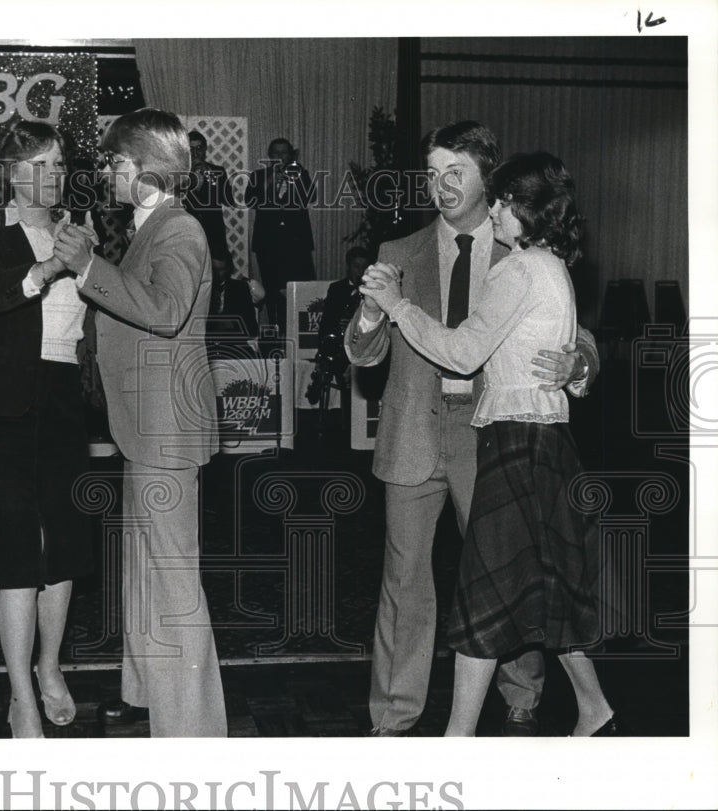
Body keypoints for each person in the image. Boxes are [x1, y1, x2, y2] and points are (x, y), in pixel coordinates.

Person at [344, 121, 600, 737]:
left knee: (508, 574)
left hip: (493, 433)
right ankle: (395, 713)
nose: (440, 186)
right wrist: (373, 313)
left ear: (489, 175)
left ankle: (521, 695)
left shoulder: (524, 249)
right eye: (431, 175)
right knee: (404, 581)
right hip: (412, 432)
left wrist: (578, 363)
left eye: (454, 172)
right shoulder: (397, 253)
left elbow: (578, 331)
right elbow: (363, 353)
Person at [54, 107, 227, 737]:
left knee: (173, 578)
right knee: (144, 568)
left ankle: (194, 729)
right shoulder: (151, 225)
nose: (107, 173)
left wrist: (89, 269)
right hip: (146, 423)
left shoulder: (179, 231)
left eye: (114, 163)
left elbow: (166, 311)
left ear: (142, 168)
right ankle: (147, 693)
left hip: (166, 428)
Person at [0, 120, 93, 738]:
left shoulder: (76, 231)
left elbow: (99, 313)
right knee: (15, 555)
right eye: (47, 162)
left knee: (61, 545)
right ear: (13, 171)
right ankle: (21, 698)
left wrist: (81, 265)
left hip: (61, 398)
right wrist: (46, 269)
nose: (58, 172)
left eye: (61, 162)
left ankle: (50, 668)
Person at [244, 138, 316, 332]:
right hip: (268, 245)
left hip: (296, 245)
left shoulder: (301, 173)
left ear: (290, 155)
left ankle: (299, 335)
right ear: (269, 156)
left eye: (284, 153)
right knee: (273, 293)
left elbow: (311, 197)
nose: (279, 157)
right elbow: (249, 201)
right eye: (275, 153)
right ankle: (276, 334)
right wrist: (269, 182)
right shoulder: (259, 175)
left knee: (300, 292)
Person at [307, 246, 373, 422]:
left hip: (363, 344)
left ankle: (352, 418)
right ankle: (328, 375)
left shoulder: (372, 290)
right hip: (340, 345)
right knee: (336, 359)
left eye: (364, 267)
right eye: (356, 266)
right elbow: (326, 323)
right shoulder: (336, 289)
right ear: (348, 266)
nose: (360, 272)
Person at [183, 130, 234, 259]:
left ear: (205, 149)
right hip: (187, 230)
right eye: (191, 149)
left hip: (213, 231)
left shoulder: (218, 171)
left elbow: (228, 200)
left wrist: (211, 177)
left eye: (199, 148)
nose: (195, 153)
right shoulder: (179, 173)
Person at [206, 249, 259, 359]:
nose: (216, 274)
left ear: (228, 269)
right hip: (207, 349)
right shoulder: (202, 290)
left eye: (221, 269)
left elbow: (252, 327)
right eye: (213, 269)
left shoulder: (240, 289)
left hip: (233, 348)